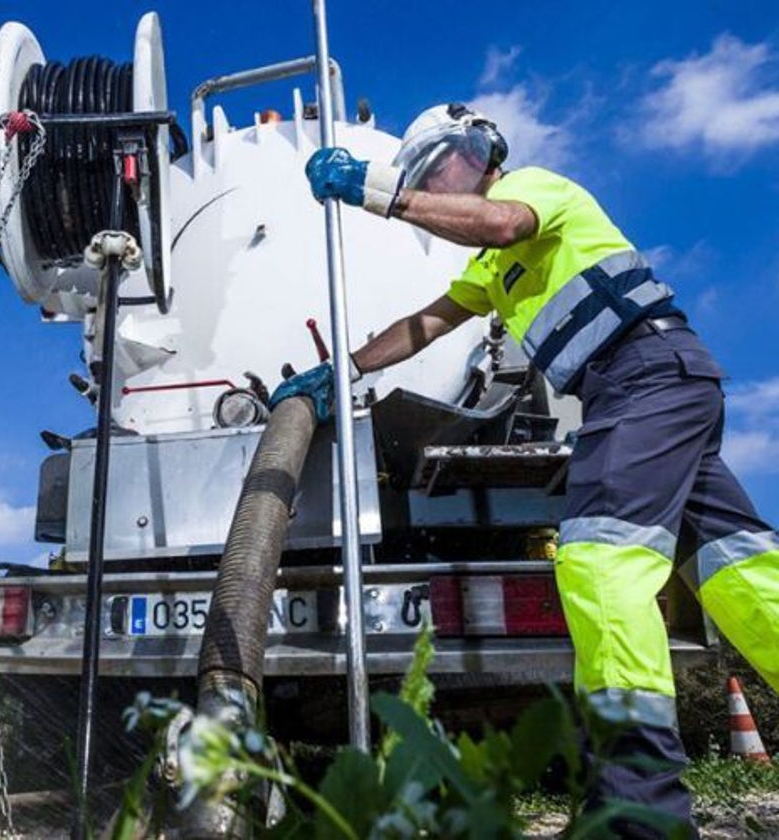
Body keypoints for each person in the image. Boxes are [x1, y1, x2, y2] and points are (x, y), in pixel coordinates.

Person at [276, 102, 779, 838]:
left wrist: (377, 191)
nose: (448, 182)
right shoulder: (489, 275)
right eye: (430, 176)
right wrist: (341, 369)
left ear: (486, 152)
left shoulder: (538, 190)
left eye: (452, 164)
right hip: (654, 385)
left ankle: (638, 807)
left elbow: (507, 223)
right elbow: (426, 324)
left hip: (644, 374)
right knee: (740, 571)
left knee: (601, 563)